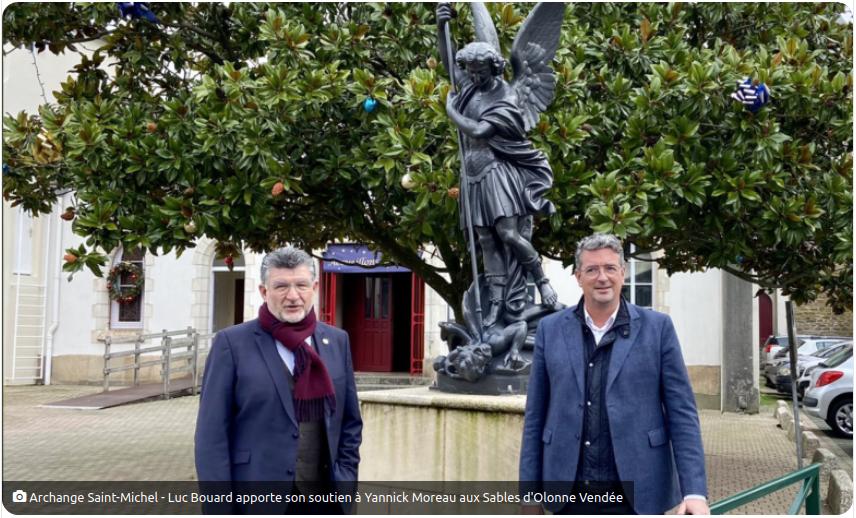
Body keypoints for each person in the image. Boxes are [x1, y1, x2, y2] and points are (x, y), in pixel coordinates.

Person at [519, 233, 709, 515]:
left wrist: (694, 492)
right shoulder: (550, 329)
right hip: (568, 493)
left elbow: (682, 414)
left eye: (610, 268)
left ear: (623, 273)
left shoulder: (658, 329)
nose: (602, 277)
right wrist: (530, 493)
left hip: (637, 491)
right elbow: (536, 414)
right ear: (578, 277)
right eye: (592, 269)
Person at [195, 246, 362, 514]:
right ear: (264, 291)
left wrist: (346, 478)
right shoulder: (232, 343)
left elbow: (350, 423)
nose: (293, 296)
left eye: (301, 285)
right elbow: (211, 436)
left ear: (314, 287)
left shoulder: (337, 341)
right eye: (281, 286)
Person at [437, 3, 561, 328]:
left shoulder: (507, 96)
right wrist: (441, 27)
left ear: (494, 69)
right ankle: (494, 306)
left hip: (496, 173)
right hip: (472, 176)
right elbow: (449, 63)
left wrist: (450, 110)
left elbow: (478, 130)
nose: (473, 77)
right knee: (486, 241)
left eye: (480, 72)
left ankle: (542, 281)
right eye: (470, 72)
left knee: (507, 233)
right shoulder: (470, 87)